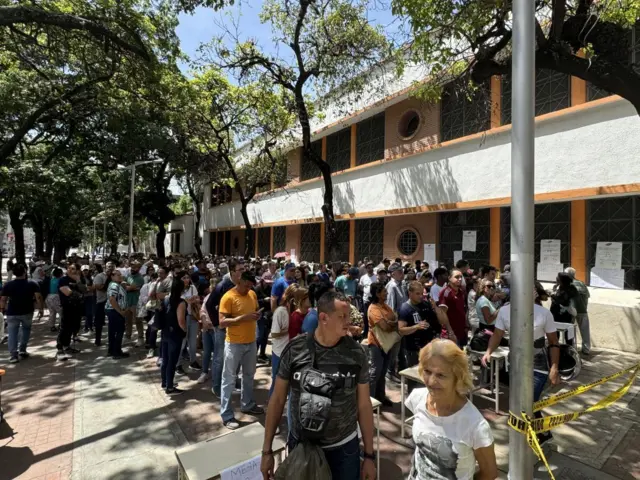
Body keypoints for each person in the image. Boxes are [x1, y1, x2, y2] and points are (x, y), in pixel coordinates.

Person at [261, 291, 376, 480]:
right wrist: (267, 451)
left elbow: (364, 405)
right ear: (324, 318)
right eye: (342, 316)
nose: (349, 321)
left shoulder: (357, 353)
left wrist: (369, 456)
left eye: (349, 315)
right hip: (302, 447)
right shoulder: (295, 349)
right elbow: (278, 399)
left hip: (344, 450)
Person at [483, 282, 560, 445]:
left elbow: (554, 342)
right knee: (523, 403)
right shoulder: (504, 311)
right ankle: (541, 434)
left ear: (534, 293)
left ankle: (536, 436)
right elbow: (497, 335)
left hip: (538, 365)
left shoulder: (544, 314)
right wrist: (488, 351)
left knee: (528, 401)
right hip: (516, 364)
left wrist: (554, 367)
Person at [407, 340, 497, 479]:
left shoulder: (475, 425)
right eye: (427, 371)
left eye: (441, 375)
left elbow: (489, 473)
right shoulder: (417, 399)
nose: (431, 381)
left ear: (458, 378)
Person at [218, 271, 265, 429]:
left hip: (251, 343)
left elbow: (255, 309)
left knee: (249, 375)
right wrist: (241, 319)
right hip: (234, 344)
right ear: (240, 280)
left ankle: (247, 404)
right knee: (229, 379)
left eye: (251, 286)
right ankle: (227, 414)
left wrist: (256, 316)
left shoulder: (252, 294)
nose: (249, 288)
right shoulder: (228, 297)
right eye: (247, 285)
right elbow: (222, 322)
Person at [204, 258, 244, 397]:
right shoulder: (222, 285)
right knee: (220, 357)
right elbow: (209, 304)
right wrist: (217, 324)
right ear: (232, 271)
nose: (243, 272)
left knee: (236, 357)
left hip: (238, 327)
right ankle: (216, 386)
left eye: (244, 269)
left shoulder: (242, 285)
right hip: (222, 329)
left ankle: (233, 381)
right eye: (240, 270)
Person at [0, 264, 44, 363]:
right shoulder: (32, 284)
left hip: (12, 312)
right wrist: (41, 309)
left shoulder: (8, 284)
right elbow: (39, 297)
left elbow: (3, 299)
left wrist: (2, 309)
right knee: (26, 330)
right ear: (25, 272)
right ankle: (22, 350)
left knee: (12, 333)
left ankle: (13, 355)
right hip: (27, 312)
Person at [398, 281, 440, 372]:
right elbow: (401, 330)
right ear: (410, 293)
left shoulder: (426, 304)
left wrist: (435, 308)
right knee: (414, 376)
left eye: (422, 293)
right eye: (417, 294)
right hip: (413, 350)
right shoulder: (404, 308)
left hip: (428, 347)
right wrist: (416, 327)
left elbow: (436, 322)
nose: (421, 296)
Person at [367, 282, 397, 406]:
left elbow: (395, 318)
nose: (387, 293)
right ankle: (370, 401)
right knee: (375, 373)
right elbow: (384, 326)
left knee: (383, 372)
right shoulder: (373, 309)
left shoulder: (385, 306)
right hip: (376, 344)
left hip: (387, 344)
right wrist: (391, 323)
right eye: (384, 291)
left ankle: (381, 397)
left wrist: (390, 322)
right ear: (378, 294)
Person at [160, 276, 188, 395]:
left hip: (165, 332)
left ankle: (165, 382)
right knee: (172, 360)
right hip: (175, 334)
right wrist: (185, 331)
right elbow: (181, 321)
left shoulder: (166, 299)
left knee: (165, 359)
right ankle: (170, 387)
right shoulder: (181, 302)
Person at [269, 284, 298, 396]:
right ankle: (271, 408)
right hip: (279, 352)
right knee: (277, 382)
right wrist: (288, 331)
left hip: (291, 352)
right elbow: (275, 334)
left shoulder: (294, 311)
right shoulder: (280, 311)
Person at [57, 264, 84, 360]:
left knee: (74, 327)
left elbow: (85, 289)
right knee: (65, 327)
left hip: (77, 307)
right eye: (69, 268)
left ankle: (67, 346)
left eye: (74, 269)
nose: (71, 270)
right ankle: (60, 349)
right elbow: (67, 292)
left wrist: (78, 282)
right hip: (67, 307)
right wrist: (78, 293)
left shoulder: (79, 279)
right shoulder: (63, 280)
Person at [385, 263, 407, 380]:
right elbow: (391, 307)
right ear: (393, 274)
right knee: (394, 350)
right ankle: (390, 372)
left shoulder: (402, 285)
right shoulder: (392, 286)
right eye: (400, 272)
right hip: (396, 323)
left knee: (400, 349)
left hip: (403, 322)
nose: (402, 274)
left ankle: (397, 371)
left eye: (402, 271)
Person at [565, 266, 591, 355]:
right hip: (583, 310)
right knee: (585, 330)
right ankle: (586, 349)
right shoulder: (582, 283)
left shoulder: (567, 285)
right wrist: (584, 307)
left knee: (570, 330)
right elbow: (587, 296)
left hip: (571, 311)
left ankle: (571, 348)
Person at [105, 269, 130, 359]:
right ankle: (116, 352)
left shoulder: (117, 285)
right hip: (114, 311)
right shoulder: (114, 286)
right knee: (118, 331)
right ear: (112, 276)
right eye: (117, 275)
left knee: (113, 332)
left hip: (114, 310)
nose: (120, 276)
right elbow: (112, 299)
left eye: (120, 275)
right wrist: (120, 311)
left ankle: (112, 350)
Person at [438, 270, 466, 347]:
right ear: (449, 278)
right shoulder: (445, 293)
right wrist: (450, 332)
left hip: (461, 333)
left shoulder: (461, 292)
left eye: (461, 277)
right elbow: (443, 315)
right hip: (450, 335)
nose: (460, 279)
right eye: (457, 277)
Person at [124, 261, 145, 345]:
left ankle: (140, 338)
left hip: (136, 301)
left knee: (138, 320)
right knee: (127, 320)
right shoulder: (128, 276)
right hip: (127, 301)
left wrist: (129, 287)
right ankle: (127, 336)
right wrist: (130, 287)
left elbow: (130, 288)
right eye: (132, 267)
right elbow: (123, 286)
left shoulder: (140, 278)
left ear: (139, 268)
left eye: (135, 267)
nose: (133, 268)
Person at [46, 267, 64, 332]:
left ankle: (52, 326)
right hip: (57, 296)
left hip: (49, 296)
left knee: (52, 312)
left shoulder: (51, 279)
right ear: (61, 274)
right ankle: (60, 325)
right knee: (61, 312)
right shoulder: (61, 280)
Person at [81, 265, 96, 333]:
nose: (85, 272)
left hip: (90, 297)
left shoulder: (91, 278)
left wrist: (87, 289)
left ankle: (88, 326)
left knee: (89, 313)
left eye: (86, 270)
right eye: (84, 271)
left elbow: (93, 288)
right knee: (84, 313)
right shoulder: (79, 279)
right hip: (82, 297)